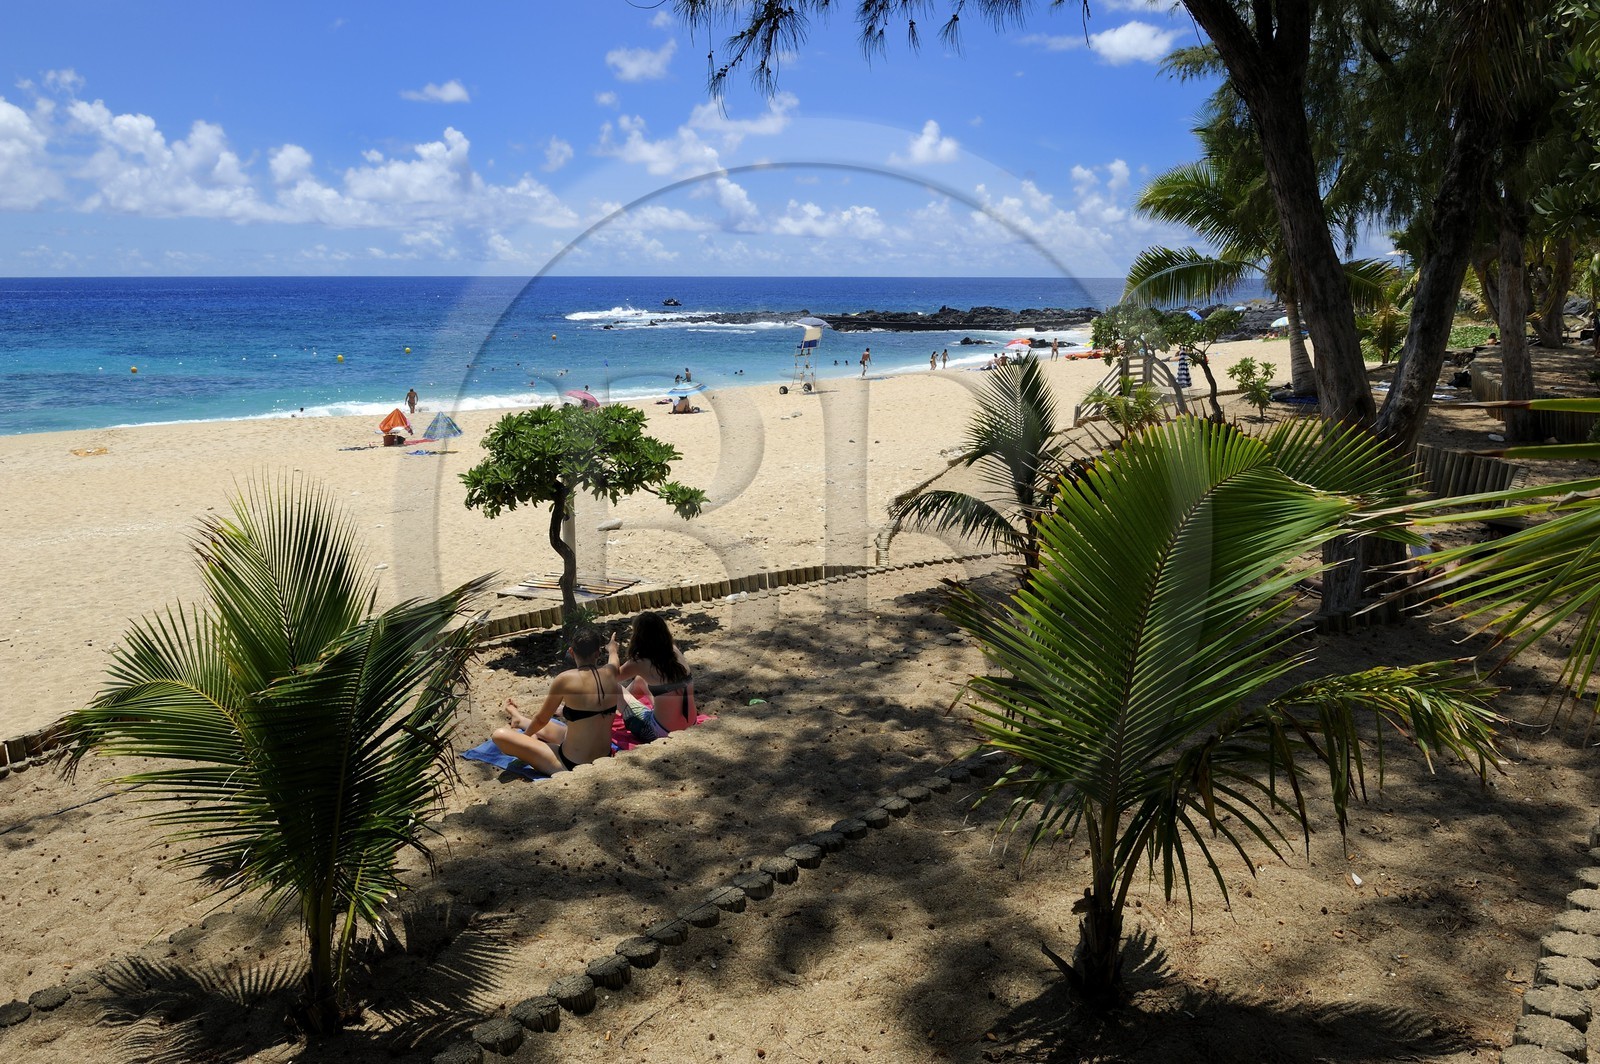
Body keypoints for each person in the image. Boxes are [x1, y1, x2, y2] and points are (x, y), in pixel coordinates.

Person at [491, 628, 621, 775]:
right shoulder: (611, 672)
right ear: (597, 653)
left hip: (572, 763)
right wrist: (612, 648)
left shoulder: (565, 679)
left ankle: (523, 727)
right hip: (604, 756)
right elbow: (614, 658)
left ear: (571, 652)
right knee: (558, 727)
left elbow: (541, 720)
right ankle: (519, 719)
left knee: (499, 735)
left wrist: (525, 738)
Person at [610, 612, 697, 743]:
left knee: (613, 687)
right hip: (691, 723)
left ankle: (616, 712)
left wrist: (612, 651)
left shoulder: (640, 662)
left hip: (660, 732)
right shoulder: (673, 651)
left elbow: (609, 676)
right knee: (640, 680)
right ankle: (622, 709)